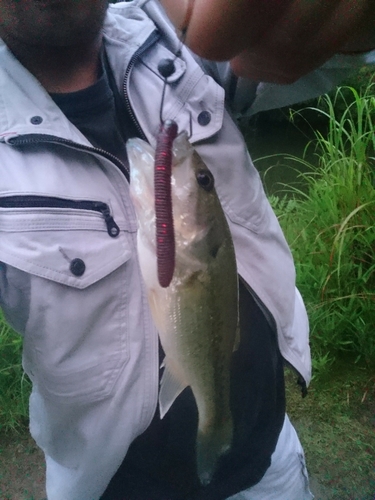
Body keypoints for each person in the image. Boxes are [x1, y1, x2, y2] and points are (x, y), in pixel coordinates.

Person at [0, 1, 373, 499]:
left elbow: (328, 59)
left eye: (200, 179)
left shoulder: (175, 35)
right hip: (114, 487)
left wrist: (350, 27)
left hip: (267, 461)